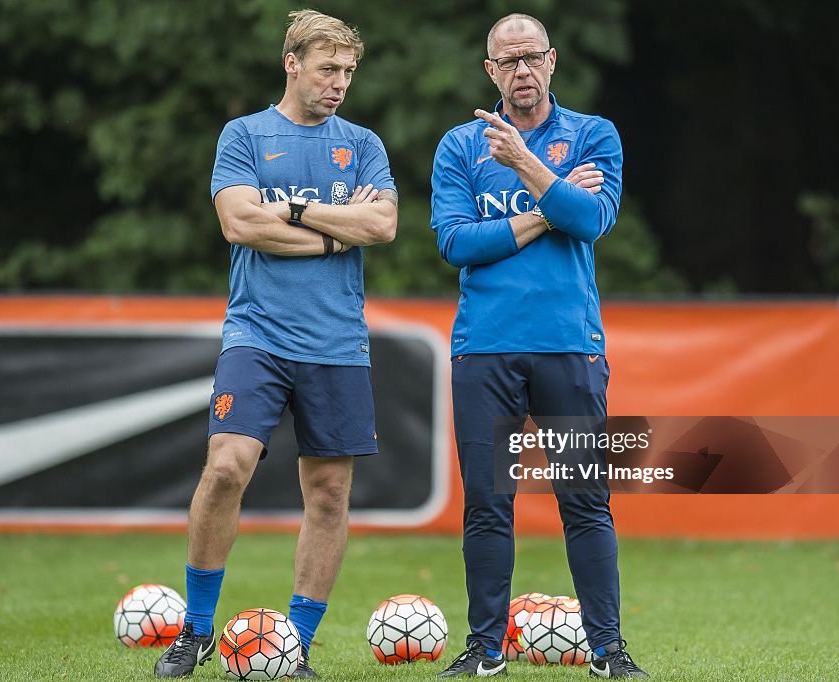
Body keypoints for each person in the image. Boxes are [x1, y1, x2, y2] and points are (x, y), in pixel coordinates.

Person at [154, 9, 398, 679]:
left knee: (327, 496)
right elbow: (239, 223)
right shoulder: (244, 134)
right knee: (226, 467)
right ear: (292, 63)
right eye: (328, 69)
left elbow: (382, 225)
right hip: (256, 335)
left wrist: (288, 210)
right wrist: (328, 234)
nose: (339, 83)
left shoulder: (364, 144)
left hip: (338, 343)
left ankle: (293, 646)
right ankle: (197, 631)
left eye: (348, 71)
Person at [430, 13, 647, 679]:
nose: (521, 70)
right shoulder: (461, 146)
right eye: (508, 60)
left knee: (585, 501)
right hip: (484, 348)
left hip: (568, 347)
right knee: (488, 505)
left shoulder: (593, 135)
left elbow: (593, 221)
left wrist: (524, 164)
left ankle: (609, 652)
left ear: (552, 62)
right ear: (490, 72)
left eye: (531, 58)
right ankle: (484, 650)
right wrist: (547, 207)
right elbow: (456, 243)